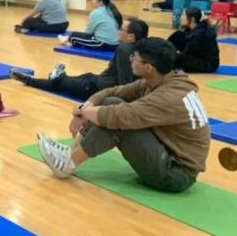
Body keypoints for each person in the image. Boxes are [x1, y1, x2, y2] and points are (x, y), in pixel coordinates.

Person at [36, 37, 210, 193]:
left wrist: (84, 112)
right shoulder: (160, 80)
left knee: (118, 121)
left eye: (135, 57)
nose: (131, 59)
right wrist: (86, 106)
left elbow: (120, 116)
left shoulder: (169, 96)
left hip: (176, 173)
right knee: (111, 102)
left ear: (148, 68)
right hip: (167, 153)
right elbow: (114, 92)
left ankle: (68, 164)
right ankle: (70, 151)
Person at [11, 18, 150, 101]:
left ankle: (30, 81)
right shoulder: (142, 49)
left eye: (121, 29)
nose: (118, 31)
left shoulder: (124, 50)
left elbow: (126, 83)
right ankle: (60, 75)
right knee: (82, 76)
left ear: (131, 36)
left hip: (96, 89)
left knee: (59, 83)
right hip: (97, 80)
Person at [167, 7, 220, 73]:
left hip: (208, 65)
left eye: (183, 15)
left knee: (180, 59)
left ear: (192, 19)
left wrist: (173, 57)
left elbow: (187, 53)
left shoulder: (199, 34)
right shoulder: (192, 29)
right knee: (178, 36)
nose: (181, 17)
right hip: (198, 57)